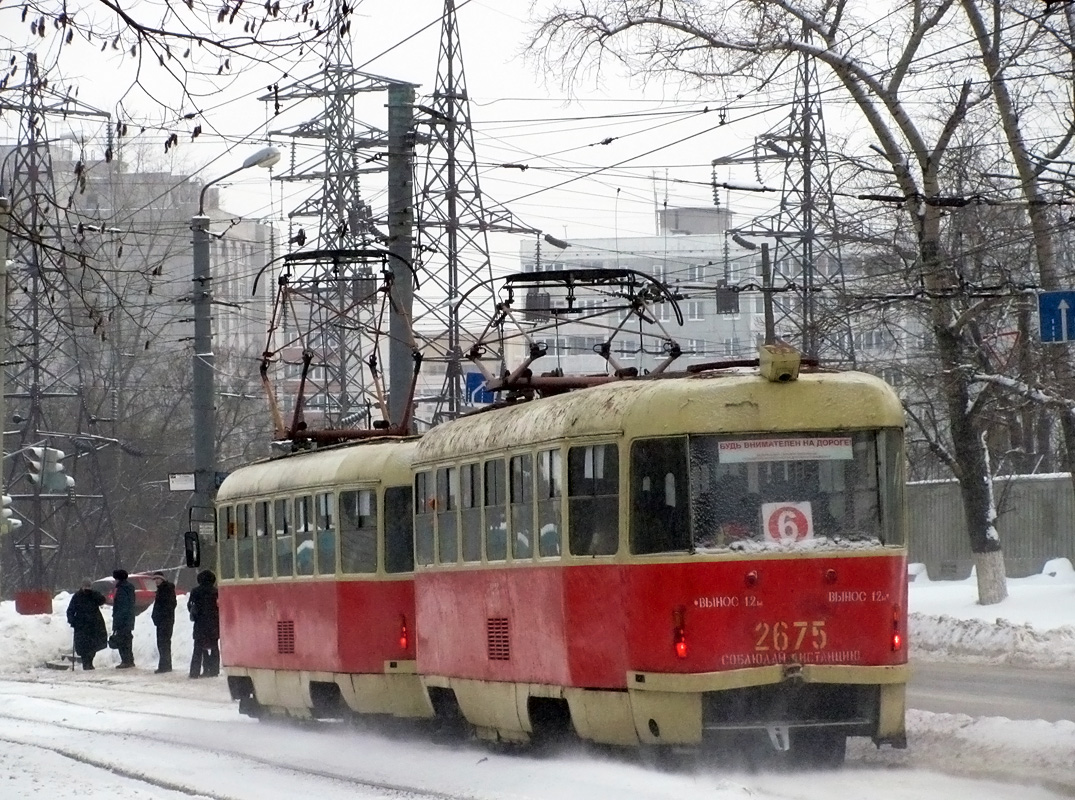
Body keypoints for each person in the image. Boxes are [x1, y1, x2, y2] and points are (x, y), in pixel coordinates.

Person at [66, 579, 107, 670]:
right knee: (83, 645)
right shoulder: (77, 596)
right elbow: (70, 610)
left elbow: (102, 600)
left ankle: (90, 662)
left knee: (93, 645)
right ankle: (86, 663)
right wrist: (72, 621)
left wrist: (96, 594)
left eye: (89, 586)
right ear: (82, 586)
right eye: (86, 586)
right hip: (82, 625)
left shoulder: (93, 595)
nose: (87, 588)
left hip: (94, 624)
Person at [187, 569, 220, 678]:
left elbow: (190, 607)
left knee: (198, 648)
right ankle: (214, 670)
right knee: (214, 647)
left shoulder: (195, 591)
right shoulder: (216, 592)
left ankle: (195, 672)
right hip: (213, 624)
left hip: (200, 624)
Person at [150, 571, 177, 674]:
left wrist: (160, 616)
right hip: (163, 620)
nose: (156, 581)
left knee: (163, 643)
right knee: (163, 643)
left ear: (162, 579)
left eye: (157, 579)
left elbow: (169, 605)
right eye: (155, 580)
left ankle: (164, 666)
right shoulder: (162, 589)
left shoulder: (166, 590)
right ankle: (165, 665)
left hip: (165, 621)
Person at [111, 569, 136, 669]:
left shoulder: (121, 589)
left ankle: (125, 660)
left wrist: (117, 620)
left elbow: (121, 606)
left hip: (122, 620)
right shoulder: (129, 588)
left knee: (122, 640)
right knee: (127, 639)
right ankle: (129, 659)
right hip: (129, 618)